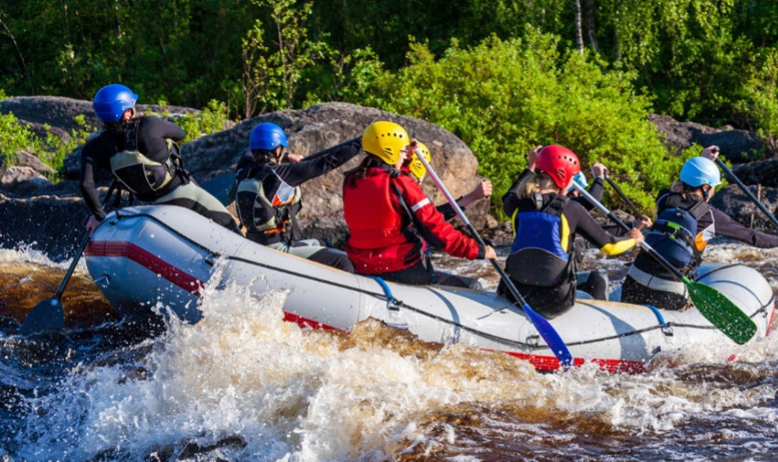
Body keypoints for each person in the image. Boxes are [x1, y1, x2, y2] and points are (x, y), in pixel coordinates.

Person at [621, 146, 778, 310]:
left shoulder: (664, 198)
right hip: (669, 288)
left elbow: (683, 181)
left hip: (635, 277)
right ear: (705, 187)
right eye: (713, 187)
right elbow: (751, 236)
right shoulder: (711, 216)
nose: (713, 192)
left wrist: (704, 161)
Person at [342, 121, 496, 289]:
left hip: (362, 265)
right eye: (402, 152)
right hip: (402, 267)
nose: (403, 156)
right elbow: (436, 230)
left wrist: (406, 162)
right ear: (390, 151)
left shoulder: (352, 181)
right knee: (473, 287)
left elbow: (392, 195)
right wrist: (478, 251)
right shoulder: (400, 183)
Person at [500, 144, 647, 318]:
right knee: (598, 279)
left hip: (515, 292)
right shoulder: (571, 209)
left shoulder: (517, 205)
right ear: (563, 176)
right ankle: (600, 326)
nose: (571, 183)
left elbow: (510, 195)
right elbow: (610, 247)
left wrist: (532, 164)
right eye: (571, 178)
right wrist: (633, 239)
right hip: (553, 301)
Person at [80, 84, 239, 234]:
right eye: (132, 106)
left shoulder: (94, 148)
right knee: (228, 223)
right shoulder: (148, 125)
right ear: (127, 112)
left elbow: (86, 184)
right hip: (183, 195)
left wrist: (99, 215)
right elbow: (180, 133)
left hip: (148, 207)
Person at [233, 122, 358, 272]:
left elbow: (247, 154)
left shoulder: (243, 171)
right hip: (278, 249)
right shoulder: (282, 175)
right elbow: (327, 162)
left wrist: (286, 157)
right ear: (277, 150)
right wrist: (360, 144)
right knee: (343, 260)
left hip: (256, 244)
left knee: (323, 244)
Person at [408, 141, 493, 221]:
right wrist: (472, 196)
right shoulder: (406, 195)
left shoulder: (409, 191)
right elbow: (436, 219)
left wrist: (471, 197)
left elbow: (435, 214)